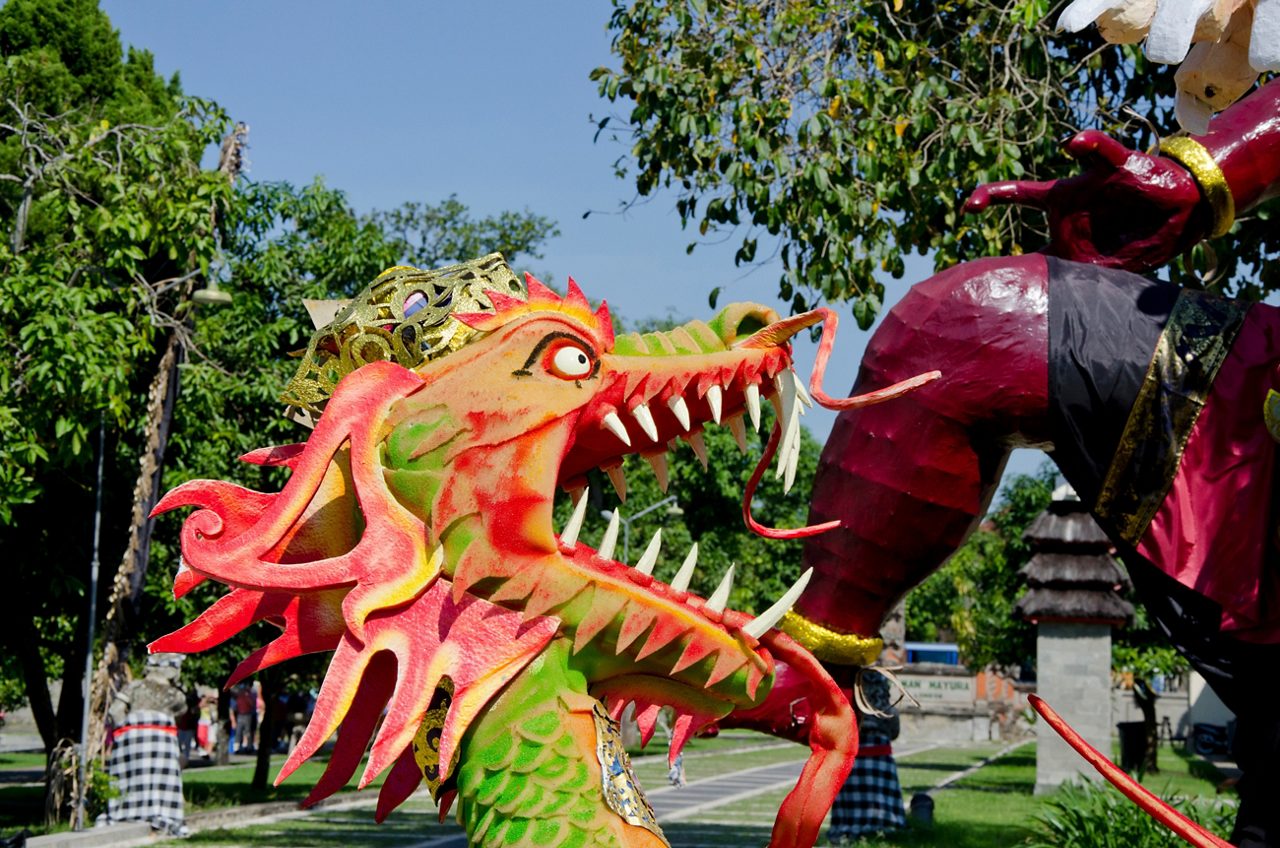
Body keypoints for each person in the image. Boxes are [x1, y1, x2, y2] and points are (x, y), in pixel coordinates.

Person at [826, 671, 906, 844]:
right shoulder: (887, 710)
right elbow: (894, 732)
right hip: (880, 758)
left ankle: (848, 828)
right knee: (880, 795)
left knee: (851, 798)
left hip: (852, 758)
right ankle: (882, 826)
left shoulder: (848, 707)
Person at [233, 683, 256, 754]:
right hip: (241, 714)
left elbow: (252, 704)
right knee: (239, 731)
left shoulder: (250, 695)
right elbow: (236, 706)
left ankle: (248, 747)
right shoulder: (240, 695)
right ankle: (237, 747)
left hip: (247, 714)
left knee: (247, 731)